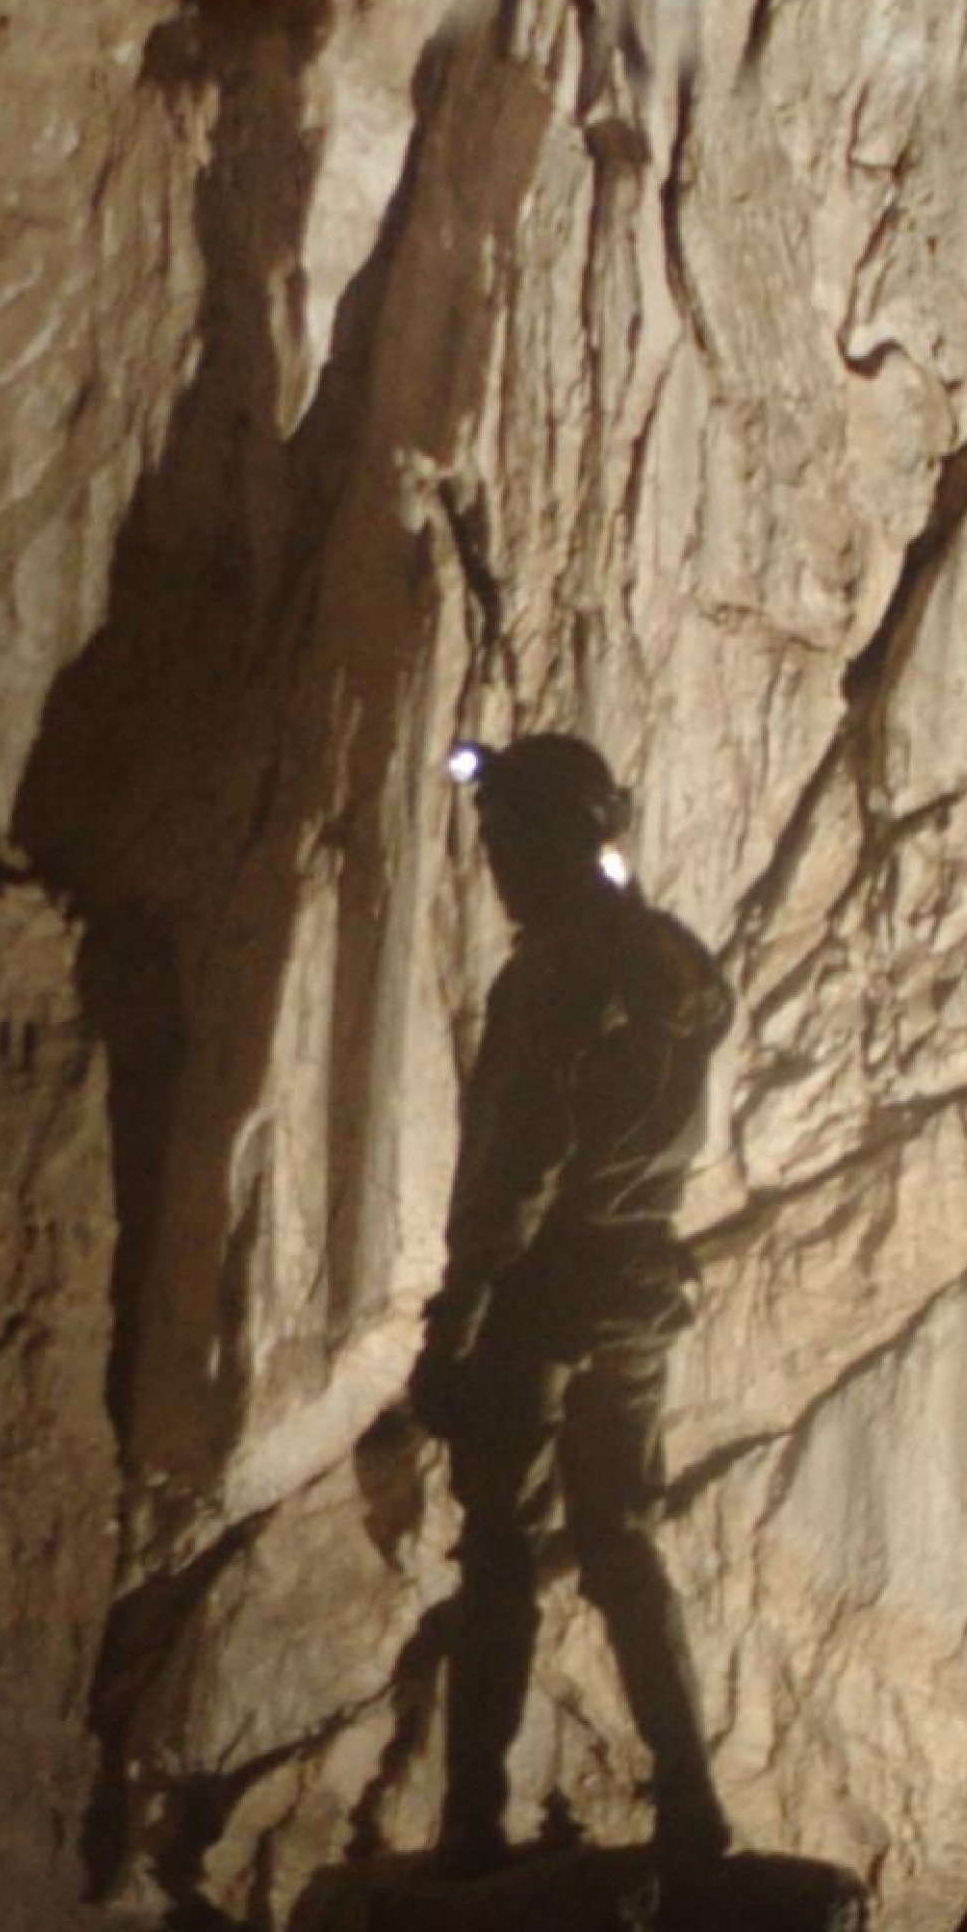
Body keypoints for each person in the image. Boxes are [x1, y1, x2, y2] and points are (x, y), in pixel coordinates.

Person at [414, 736, 730, 1867]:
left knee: (500, 1548)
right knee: (621, 1541)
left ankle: (471, 1823)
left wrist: (456, 1320)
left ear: (558, 837)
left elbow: (519, 1158)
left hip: (543, 1294)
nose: (496, 865)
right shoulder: (673, 959)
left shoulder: (556, 970)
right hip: (639, 1284)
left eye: (508, 840)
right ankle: (690, 1799)